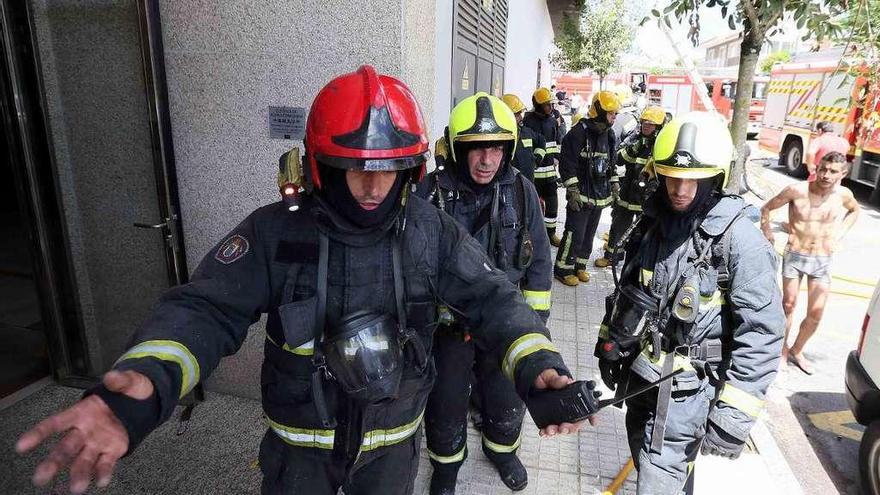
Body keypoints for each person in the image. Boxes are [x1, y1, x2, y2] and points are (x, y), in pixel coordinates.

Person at [15, 66, 587, 495]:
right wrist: (149, 381)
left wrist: (537, 365)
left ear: (410, 166)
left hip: (390, 454)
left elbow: (493, 300)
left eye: (387, 168)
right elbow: (206, 309)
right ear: (320, 163)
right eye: (354, 166)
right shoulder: (274, 233)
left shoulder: (430, 231)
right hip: (299, 456)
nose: (371, 185)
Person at [595, 111, 785, 494]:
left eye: (692, 180)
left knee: (656, 481)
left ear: (715, 177)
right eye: (672, 177)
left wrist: (733, 416)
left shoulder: (738, 241)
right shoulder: (652, 223)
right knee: (654, 464)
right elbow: (628, 292)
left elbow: (762, 331)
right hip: (642, 382)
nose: (680, 190)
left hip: (688, 396)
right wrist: (609, 348)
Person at [417, 92, 553, 494]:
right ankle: (445, 469)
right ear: (457, 149)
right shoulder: (430, 192)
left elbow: (540, 261)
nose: (486, 160)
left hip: (502, 325)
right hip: (448, 330)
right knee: (445, 403)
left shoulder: (521, 190)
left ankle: (503, 451)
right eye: (475, 148)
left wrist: (532, 327)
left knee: (506, 398)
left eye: (495, 148)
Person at [760, 151, 860, 374]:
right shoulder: (797, 191)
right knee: (788, 305)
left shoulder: (843, 195)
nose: (825, 174)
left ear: (842, 174)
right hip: (795, 255)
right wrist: (767, 230)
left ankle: (797, 350)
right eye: (822, 169)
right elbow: (766, 208)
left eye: (832, 171)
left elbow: (854, 211)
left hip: (822, 259)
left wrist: (839, 234)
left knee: (816, 314)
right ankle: (782, 351)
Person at [554, 90, 621, 286]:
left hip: (599, 197)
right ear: (599, 111)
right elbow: (567, 164)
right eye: (611, 113)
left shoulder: (609, 135)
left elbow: (611, 164)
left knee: (589, 235)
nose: (614, 117)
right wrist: (573, 191)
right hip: (581, 197)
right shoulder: (578, 133)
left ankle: (579, 267)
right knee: (574, 234)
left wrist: (615, 184)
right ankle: (562, 269)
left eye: (615, 114)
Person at [595, 105, 666, 268]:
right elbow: (618, 159)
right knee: (618, 225)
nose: (645, 126)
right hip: (628, 191)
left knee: (645, 230)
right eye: (644, 123)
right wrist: (634, 149)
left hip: (648, 195)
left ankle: (641, 262)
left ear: (659, 126)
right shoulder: (635, 138)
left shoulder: (662, 146)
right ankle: (612, 257)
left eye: (650, 124)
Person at [523, 87, 566, 246]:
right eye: (548, 104)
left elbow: (557, 142)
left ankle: (551, 234)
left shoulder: (552, 120)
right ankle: (532, 236)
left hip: (549, 173)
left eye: (551, 104)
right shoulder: (528, 121)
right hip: (533, 174)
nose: (551, 107)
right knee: (531, 207)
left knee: (553, 204)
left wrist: (556, 157)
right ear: (539, 105)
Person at [502, 93, 546, 182]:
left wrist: (537, 159)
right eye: (517, 114)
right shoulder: (499, 137)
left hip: (528, 184)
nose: (521, 118)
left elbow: (541, 140)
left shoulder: (526, 132)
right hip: (508, 185)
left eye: (520, 114)